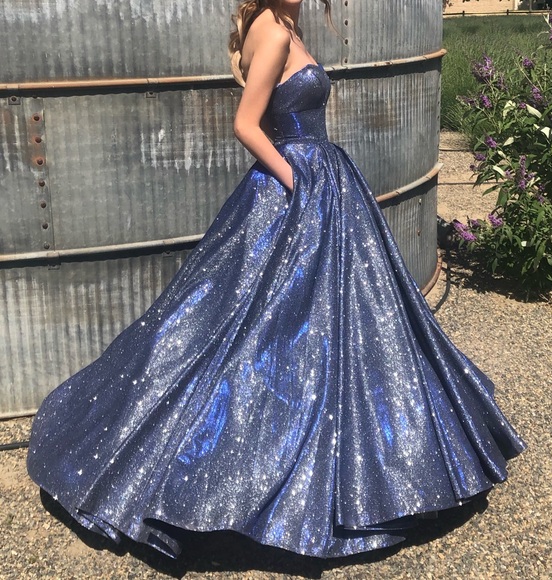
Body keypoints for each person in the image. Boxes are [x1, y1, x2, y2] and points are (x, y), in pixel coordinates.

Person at [27, 0, 525, 560]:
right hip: (299, 185)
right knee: (258, 330)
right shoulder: (274, 31)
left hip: (318, 178)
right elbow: (247, 123)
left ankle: (347, 460)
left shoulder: (285, 24)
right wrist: (298, 181)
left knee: (318, 324)